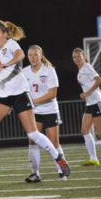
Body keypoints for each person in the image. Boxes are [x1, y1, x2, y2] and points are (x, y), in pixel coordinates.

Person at [0, 20, 70, 177]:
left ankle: (59, 159)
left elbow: (20, 55)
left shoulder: (11, 44)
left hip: (20, 93)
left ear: (5, 34)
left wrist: (7, 64)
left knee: (33, 134)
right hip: (1, 94)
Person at [23, 45, 68, 182]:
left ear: (41, 56)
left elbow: (52, 94)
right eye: (30, 55)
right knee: (32, 141)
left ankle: (62, 170)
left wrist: (33, 101)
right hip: (34, 112)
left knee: (54, 143)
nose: (33, 58)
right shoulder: (24, 72)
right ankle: (35, 174)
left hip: (50, 110)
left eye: (36, 55)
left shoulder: (49, 70)